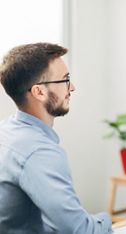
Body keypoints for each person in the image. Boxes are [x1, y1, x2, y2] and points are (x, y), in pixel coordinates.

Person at [0, 43, 113, 233]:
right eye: (65, 80)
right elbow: (80, 230)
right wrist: (106, 219)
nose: (73, 87)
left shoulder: (6, 131)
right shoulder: (39, 152)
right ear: (39, 92)